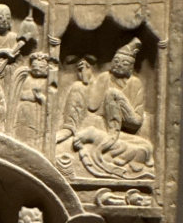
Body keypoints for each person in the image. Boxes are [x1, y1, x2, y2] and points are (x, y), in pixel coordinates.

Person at [55, 39, 154, 179]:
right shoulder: (104, 77)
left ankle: (109, 144)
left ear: (131, 67)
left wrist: (119, 102)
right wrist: (87, 79)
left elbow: (136, 122)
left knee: (145, 147)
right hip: (100, 124)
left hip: (118, 130)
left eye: (124, 63)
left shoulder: (135, 83)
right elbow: (92, 105)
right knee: (78, 86)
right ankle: (69, 128)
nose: (119, 65)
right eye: (116, 61)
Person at [8, 53, 49, 151]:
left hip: (37, 114)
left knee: (34, 135)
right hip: (23, 112)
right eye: (34, 66)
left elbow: (49, 102)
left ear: (47, 68)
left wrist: (40, 97)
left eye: (41, 67)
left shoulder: (47, 82)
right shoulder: (26, 79)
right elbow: (19, 94)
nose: (37, 68)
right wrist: (28, 95)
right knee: (22, 132)